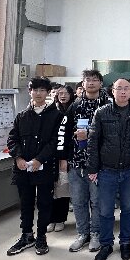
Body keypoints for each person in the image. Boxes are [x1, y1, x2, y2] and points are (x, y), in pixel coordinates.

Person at [87, 79, 130, 260]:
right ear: (113, 91)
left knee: (128, 209)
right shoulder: (101, 112)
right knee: (105, 210)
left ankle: (125, 242)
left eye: (127, 88)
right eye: (119, 88)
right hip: (107, 170)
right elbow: (93, 142)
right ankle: (106, 244)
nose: (123, 92)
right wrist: (93, 168)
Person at [6, 77, 63, 256]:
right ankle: (26, 235)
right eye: (35, 90)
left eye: (42, 90)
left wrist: (39, 159)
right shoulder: (22, 116)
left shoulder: (56, 115)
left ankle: (41, 237)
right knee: (26, 203)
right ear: (30, 92)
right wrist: (18, 157)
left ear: (48, 93)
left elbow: (55, 141)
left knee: (45, 203)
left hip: (45, 167)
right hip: (23, 168)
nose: (38, 93)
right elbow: (12, 139)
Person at [58, 69, 110, 254]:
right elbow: (63, 132)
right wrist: (63, 157)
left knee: (97, 202)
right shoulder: (75, 105)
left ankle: (96, 233)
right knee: (78, 202)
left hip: (99, 164)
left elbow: (112, 133)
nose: (91, 83)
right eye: (88, 80)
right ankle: (82, 234)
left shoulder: (108, 105)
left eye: (95, 80)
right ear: (83, 83)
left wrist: (89, 134)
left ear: (101, 83)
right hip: (76, 162)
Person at [47, 85, 76, 233]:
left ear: (71, 95)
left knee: (63, 189)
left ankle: (60, 219)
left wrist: (64, 157)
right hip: (49, 156)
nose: (62, 96)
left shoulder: (73, 110)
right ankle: (50, 219)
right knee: (49, 190)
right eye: (60, 93)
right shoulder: (51, 110)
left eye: (65, 93)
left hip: (65, 155)